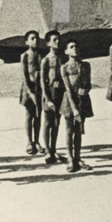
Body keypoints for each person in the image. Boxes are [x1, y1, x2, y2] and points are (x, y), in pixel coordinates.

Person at [60, 39, 94, 172]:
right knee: (69, 130)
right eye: (71, 47)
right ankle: (69, 158)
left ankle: (78, 157)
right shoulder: (64, 67)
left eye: (76, 46)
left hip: (83, 100)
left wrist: (86, 90)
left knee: (79, 130)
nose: (75, 48)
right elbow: (68, 88)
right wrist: (74, 109)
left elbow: (89, 84)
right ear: (66, 51)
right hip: (69, 101)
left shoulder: (86, 65)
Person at [40, 30, 66, 165]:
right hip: (49, 93)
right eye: (54, 40)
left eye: (59, 39)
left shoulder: (62, 58)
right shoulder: (45, 60)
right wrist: (47, 99)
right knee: (48, 122)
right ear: (48, 43)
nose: (57, 42)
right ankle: (48, 150)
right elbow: (42, 82)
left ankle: (54, 148)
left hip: (60, 92)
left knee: (56, 122)